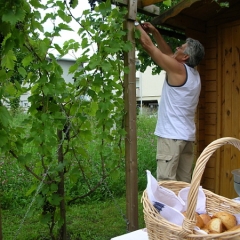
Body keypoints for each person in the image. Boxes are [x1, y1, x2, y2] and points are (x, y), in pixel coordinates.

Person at [135, 21, 205, 183]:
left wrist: (134, 22)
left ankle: (164, 210)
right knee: (183, 185)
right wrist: (155, 32)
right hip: (186, 138)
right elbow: (168, 55)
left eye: (180, 47)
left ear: (185, 57)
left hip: (172, 137)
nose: (176, 48)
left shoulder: (179, 70)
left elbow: (147, 45)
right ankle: (184, 209)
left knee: (166, 184)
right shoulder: (193, 74)